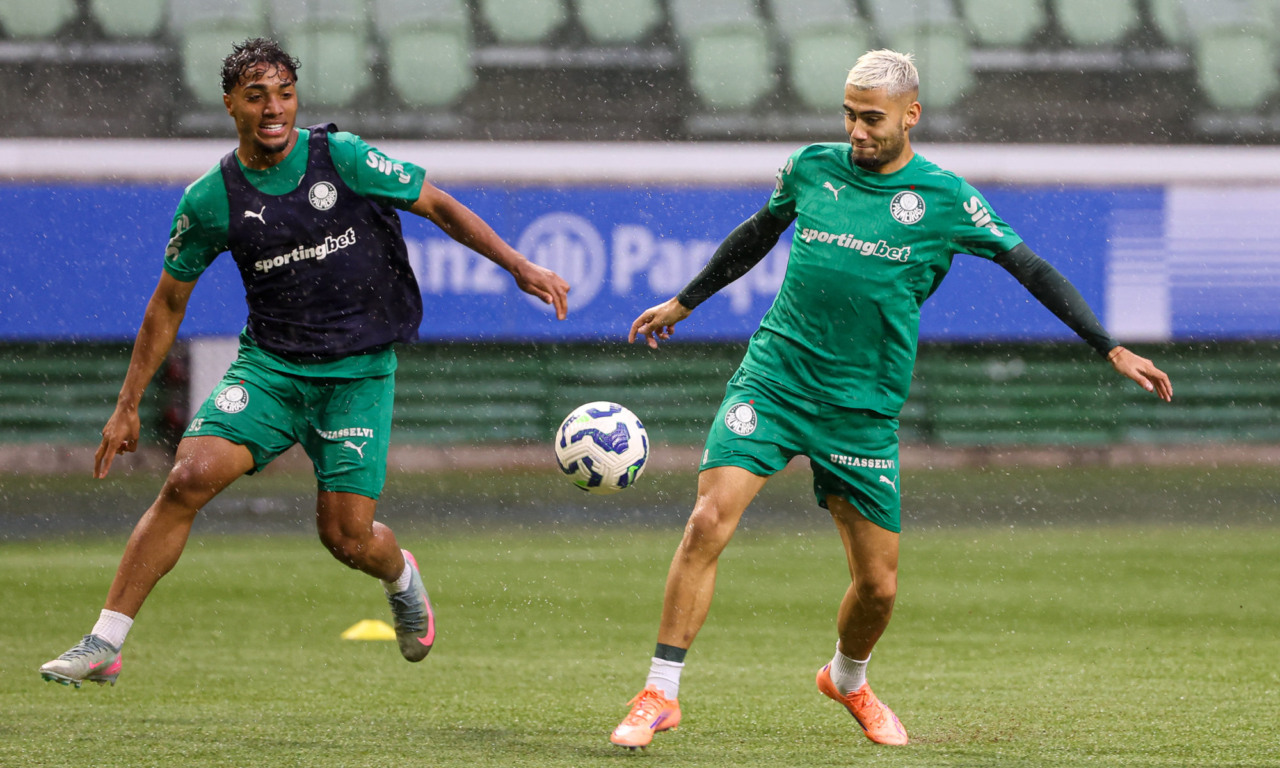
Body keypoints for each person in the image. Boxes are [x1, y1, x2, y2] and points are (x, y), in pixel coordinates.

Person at [610, 49, 1172, 749]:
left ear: (911, 115)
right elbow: (759, 232)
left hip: (862, 409)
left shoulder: (945, 200)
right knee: (706, 521)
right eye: (848, 114)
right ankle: (660, 693)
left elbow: (1028, 265)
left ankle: (847, 678)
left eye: (871, 118)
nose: (856, 131)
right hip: (775, 379)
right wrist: (685, 300)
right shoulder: (811, 168)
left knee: (878, 590)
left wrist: (1109, 346)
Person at [39, 38, 570, 688]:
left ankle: (401, 576)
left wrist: (519, 265)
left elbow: (437, 204)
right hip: (272, 370)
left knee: (347, 538)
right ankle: (105, 642)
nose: (273, 108)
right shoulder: (211, 199)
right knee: (187, 478)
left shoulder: (341, 158)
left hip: (357, 376)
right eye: (257, 95)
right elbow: (166, 305)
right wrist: (126, 406)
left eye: (284, 94)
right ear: (230, 103)